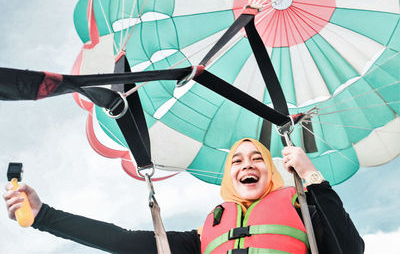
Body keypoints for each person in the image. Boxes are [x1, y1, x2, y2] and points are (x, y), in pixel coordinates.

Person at [3, 138, 364, 253]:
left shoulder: (303, 211)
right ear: (229, 177)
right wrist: (43, 216)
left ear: (272, 172)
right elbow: (121, 241)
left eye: (258, 159)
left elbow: (350, 248)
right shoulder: (206, 233)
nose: (247, 165)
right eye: (237, 161)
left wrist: (311, 178)